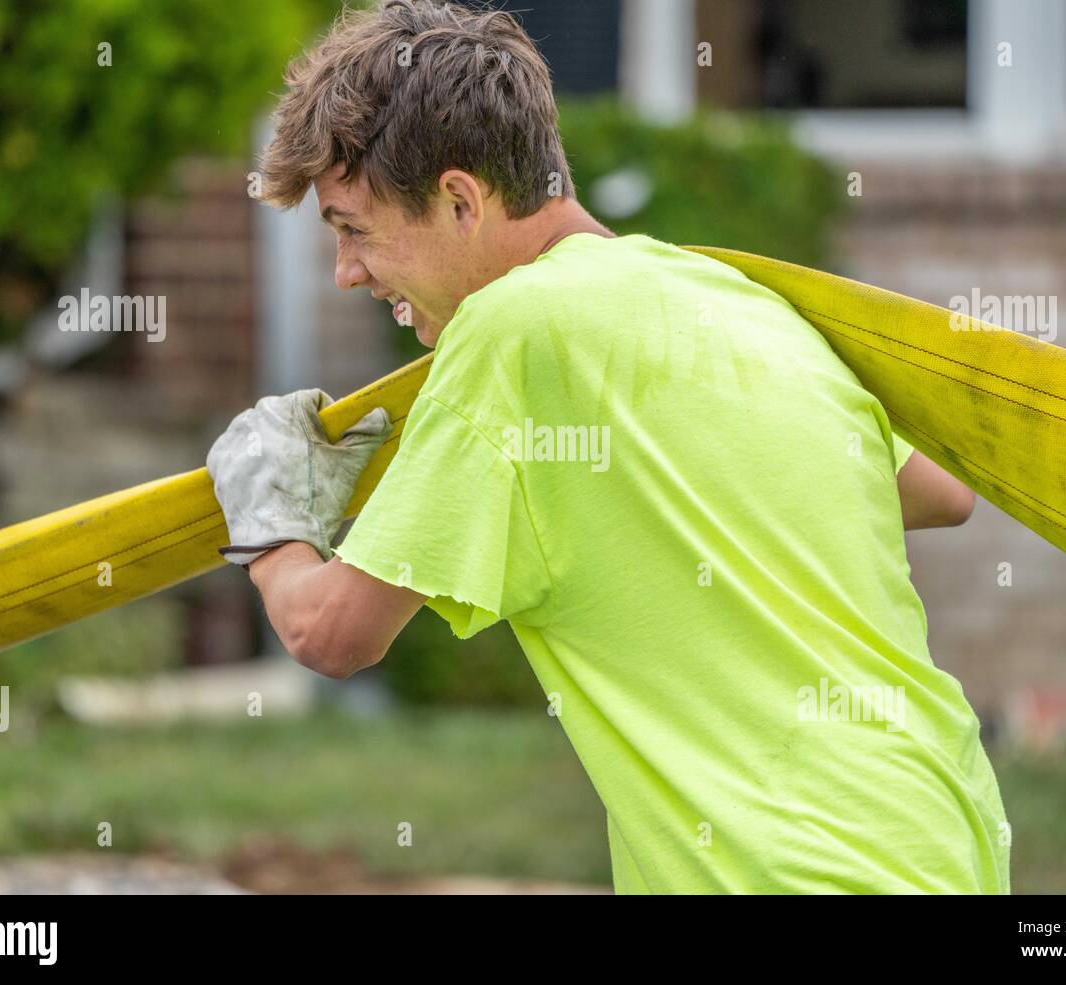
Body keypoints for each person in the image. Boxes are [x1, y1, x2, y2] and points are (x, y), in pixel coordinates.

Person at [206, 0, 1007, 894]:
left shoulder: (511, 330)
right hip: (945, 835)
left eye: (353, 229)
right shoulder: (730, 297)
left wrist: (267, 518)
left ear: (460, 199)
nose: (346, 271)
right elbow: (939, 492)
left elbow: (329, 632)